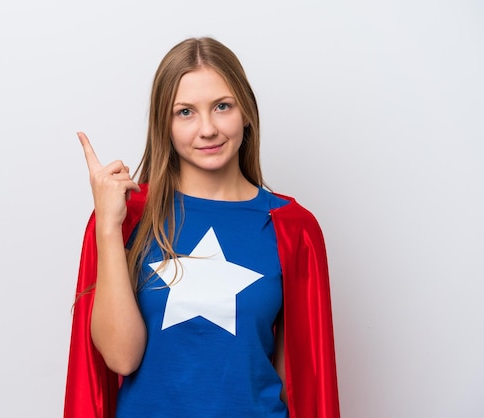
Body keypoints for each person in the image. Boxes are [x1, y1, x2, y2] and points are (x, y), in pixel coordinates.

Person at [64, 37, 340, 418]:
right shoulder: (126, 217)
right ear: (165, 123)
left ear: (245, 111)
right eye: (185, 112)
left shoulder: (293, 229)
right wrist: (109, 228)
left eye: (222, 106)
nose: (207, 129)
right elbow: (120, 358)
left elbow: (301, 381)